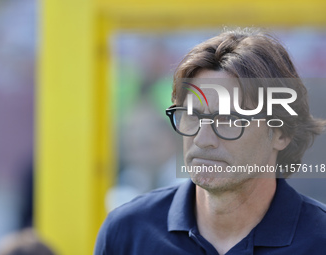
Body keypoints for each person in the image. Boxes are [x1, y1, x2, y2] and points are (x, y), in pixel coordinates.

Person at [94, 28, 326, 254]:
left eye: (228, 119)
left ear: (281, 133)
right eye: (192, 115)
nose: (203, 140)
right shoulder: (127, 232)